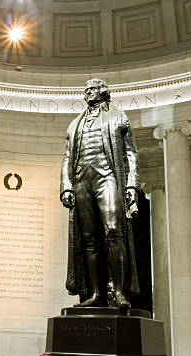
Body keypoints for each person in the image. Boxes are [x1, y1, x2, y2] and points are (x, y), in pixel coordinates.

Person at [60, 78, 141, 308]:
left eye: (93, 89)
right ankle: (95, 294)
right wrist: (66, 185)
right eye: (86, 90)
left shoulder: (118, 116)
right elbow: (67, 156)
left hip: (108, 176)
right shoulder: (75, 123)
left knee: (113, 231)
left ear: (103, 92)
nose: (88, 93)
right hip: (81, 179)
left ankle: (118, 292)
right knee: (89, 239)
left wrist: (132, 185)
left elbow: (131, 153)